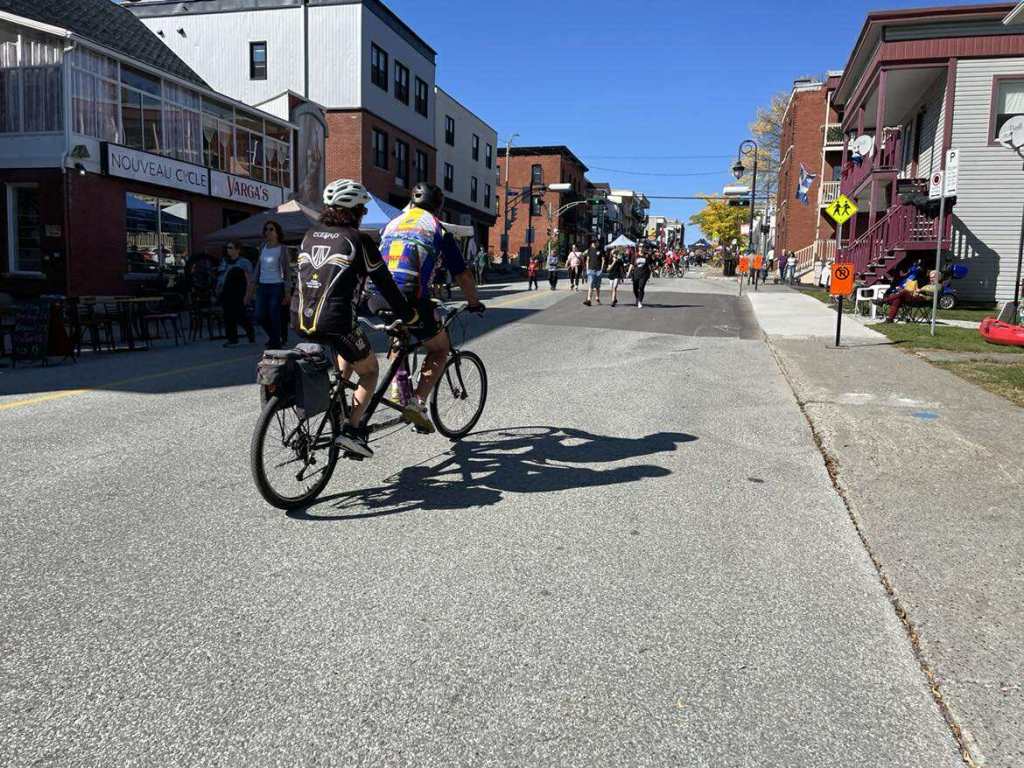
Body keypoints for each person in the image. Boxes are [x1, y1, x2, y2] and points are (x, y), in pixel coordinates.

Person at [293, 179, 417, 458]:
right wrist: (408, 314)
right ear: (354, 210)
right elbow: (384, 282)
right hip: (336, 321)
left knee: (347, 353)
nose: (363, 214)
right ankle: (350, 428)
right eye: (362, 209)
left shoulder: (309, 235)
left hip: (301, 318)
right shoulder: (358, 240)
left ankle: (336, 403)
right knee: (370, 370)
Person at [379, 182, 485, 430]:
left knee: (400, 332)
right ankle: (416, 402)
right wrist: (474, 302)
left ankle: (399, 384)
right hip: (409, 298)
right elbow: (462, 275)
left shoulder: (391, 223)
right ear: (438, 207)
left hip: (378, 296)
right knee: (439, 348)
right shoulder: (435, 228)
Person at [254, 220, 290, 348]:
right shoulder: (262, 247)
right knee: (259, 315)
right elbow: (258, 266)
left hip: (277, 285)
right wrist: (254, 284)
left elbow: (286, 272)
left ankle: (275, 342)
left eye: (271, 229)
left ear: (277, 233)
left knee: (274, 315)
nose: (268, 232)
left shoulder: (283, 248)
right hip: (263, 285)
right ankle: (275, 337)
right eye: (266, 229)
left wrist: (287, 293)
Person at [218, 240, 255, 347]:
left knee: (240, 315)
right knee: (228, 316)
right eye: (227, 248)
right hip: (226, 291)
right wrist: (219, 287)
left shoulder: (244, 262)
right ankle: (232, 338)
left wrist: (248, 294)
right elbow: (221, 276)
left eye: (231, 248)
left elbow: (250, 279)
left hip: (238, 292)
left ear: (237, 250)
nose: (228, 250)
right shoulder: (225, 261)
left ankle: (250, 332)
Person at [582, 242, 604, 306]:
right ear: (592, 244)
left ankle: (597, 298)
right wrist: (587, 269)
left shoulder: (600, 250)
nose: (595, 244)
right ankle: (589, 300)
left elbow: (603, 260)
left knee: (597, 286)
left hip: (598, 271)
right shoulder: (589, 250)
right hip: (591, 270)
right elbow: (587, 260)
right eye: (593, 243)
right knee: (590, 285)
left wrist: (601, 269)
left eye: (596, 243)